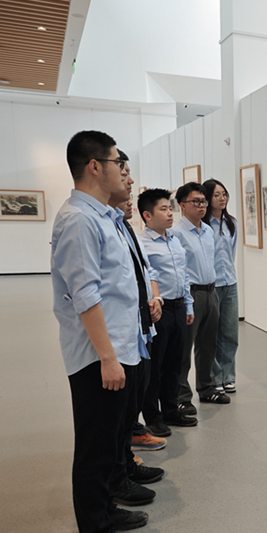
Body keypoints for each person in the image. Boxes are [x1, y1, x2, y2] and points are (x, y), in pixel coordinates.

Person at [50, 130, 149, 533]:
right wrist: (108, 357)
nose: (122, 170)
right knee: (95, 448)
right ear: (95, 166)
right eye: (117, 162)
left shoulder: (103, 216)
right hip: (97, 355)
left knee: (111, 442)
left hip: (118, 347)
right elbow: (85, 294)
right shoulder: (79, 220)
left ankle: (106, 510)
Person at [107, 152, 166, 498]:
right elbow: (86, 295)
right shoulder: (89, 223)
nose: (130, 183)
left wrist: (153, 298)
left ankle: (126, 464)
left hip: (140, 329)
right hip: (116, 338)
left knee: (133, 400)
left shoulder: (124, 227)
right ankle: (117, 478)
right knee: (113, 419)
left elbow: (143, 272)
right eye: (123, 172)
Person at [137, 188, 198, 436]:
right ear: (147, 215)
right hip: (159, 310)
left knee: (175, 363)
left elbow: (184, 275)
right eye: (163, 209)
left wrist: (188, 304)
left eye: (170, 208)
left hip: (179, 307)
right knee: (155, 367)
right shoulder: (142, 243)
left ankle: (171, 411)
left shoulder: (174, 239)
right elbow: (145, 278)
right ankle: (153, 416)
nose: (170, 213)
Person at [172, 182, 229, 411]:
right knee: (184, 348)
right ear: (182, 205)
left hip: (211, 292)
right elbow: (179, 270)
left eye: (203, 201)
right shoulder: (176, 233)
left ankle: (207, 388)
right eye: (196, 201)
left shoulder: (207, 231)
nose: (202, 205)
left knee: (208, 345)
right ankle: (181, 397)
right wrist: (187, 300)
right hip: (191, 294)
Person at [202, 178, 239, 394]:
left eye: (224, 194)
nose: (222, 198)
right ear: (208, 198)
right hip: (212, 285)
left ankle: (228, 376)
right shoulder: (203, 226)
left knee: (230, 333)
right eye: (216, 195)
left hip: (230, 283)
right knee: (212, 334)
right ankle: (215, 377)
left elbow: (231, 254)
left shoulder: (231, 223)